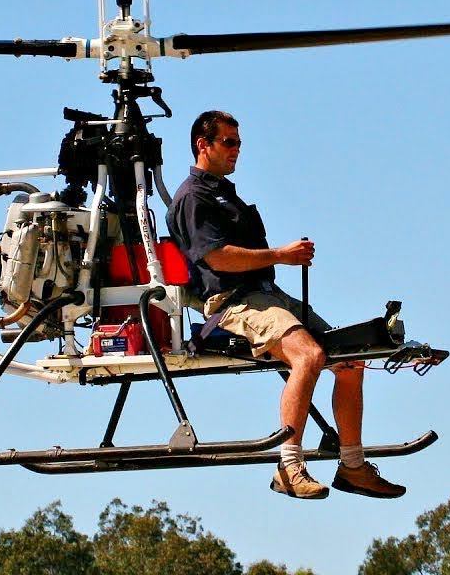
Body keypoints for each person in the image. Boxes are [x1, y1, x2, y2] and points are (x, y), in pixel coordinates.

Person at [165, 110, 406, 500]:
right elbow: (217, 257)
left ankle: (353, 466)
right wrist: (280, 255)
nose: (236, 150)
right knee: (308, 356)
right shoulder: (194, 197)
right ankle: (289, 467)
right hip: (234, 304)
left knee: (351, 358)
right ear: (202, 145)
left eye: (239, 143)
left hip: (267, 295)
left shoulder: (223, 192)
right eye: (228, 142)